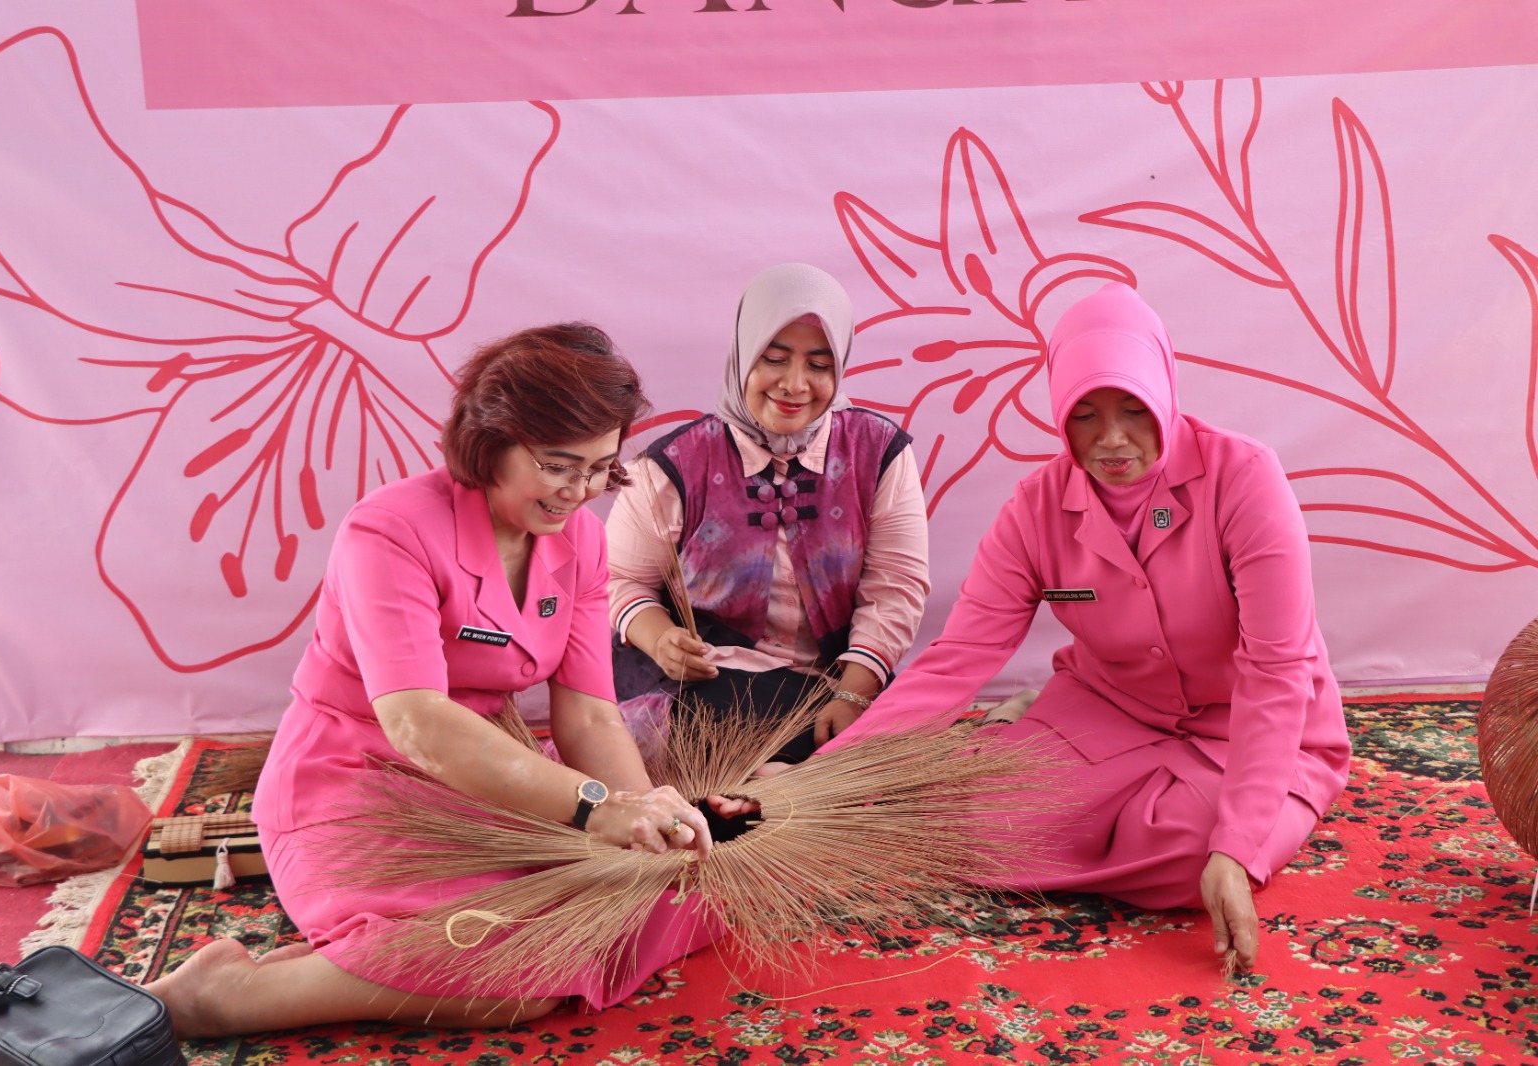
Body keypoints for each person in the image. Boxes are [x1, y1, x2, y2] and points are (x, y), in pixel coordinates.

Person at [148, 324, 725, 1038]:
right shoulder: (389, 530)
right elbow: (417, 722)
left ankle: (364, 963)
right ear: (492, 440)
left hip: (483, 781)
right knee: (512, 976)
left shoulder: (582, 542)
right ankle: (224, 997)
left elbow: (590, 719)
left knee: (682, 894)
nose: (578, 491)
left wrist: (638, 816)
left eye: (599, 468)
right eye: (557, 465)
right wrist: (593, 808)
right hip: (352, 784)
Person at [819, 282, 1352, 970]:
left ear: (1165, 390)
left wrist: (1236, 848)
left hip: (1250, 729)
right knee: (973, 824)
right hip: (1106, 714)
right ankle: (1029, 751)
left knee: (1202, 849)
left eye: (1134, 409)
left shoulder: (1245, 480)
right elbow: (958, 658)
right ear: (1058, 413)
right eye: (1085, 415)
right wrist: (824, 779)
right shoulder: (1038, 507)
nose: (1112, 440)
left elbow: (1277, 670)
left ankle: (1070, 780)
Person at [606, 263, 930, 765]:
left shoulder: (879, 452)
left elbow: (896, 585)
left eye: (819, 366)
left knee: (899, 764)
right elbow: (618, 579)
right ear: (743, 356)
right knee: (731, 733)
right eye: (774, 359)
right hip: (710, 684)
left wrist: (854, 694)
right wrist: (659, 637)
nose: (795, 385)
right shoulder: (671, 466)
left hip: (837, 681)